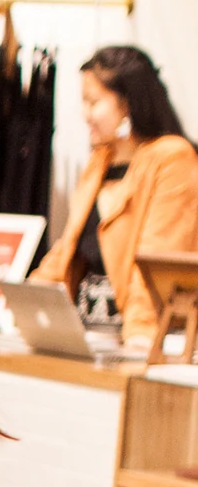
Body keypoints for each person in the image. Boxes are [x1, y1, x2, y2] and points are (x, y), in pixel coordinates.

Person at [32, 45, 198, 344]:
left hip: (139, 338)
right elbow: (66, 251)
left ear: (126, 104)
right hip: (88, 334)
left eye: (93, 102)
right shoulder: (100, 163)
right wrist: (24, 303)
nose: (85, 115)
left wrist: (139, 336)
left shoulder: (173, 158)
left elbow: (155, 263)